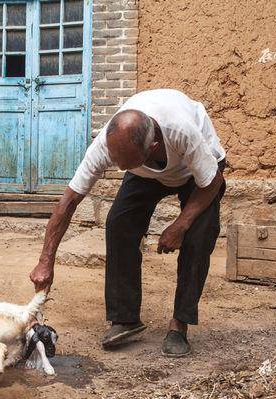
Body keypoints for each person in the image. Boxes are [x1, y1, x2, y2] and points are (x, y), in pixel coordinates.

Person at [29, 88, 226, 357]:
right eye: (118, 164)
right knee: (119, 224)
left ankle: (179, 324)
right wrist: (45, 261)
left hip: (198, 175)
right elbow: (68, 203)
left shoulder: (181, 130)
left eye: (128, 163)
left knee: (198, 237)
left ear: (152, 146)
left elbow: (211, 181)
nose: (121, 169)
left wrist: (180, 225)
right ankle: (125, 318)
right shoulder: (109, 145)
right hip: (145, 170)